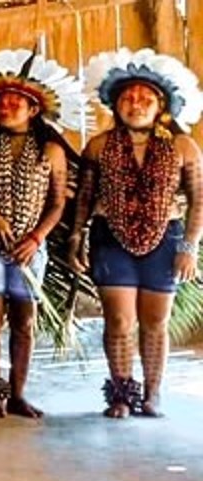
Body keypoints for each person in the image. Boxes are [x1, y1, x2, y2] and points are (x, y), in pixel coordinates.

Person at [69, 48, 203, 419]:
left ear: (161, 106)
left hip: (166, 240)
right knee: (119, 320)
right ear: (115, 105)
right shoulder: (98, 146)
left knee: (155, 321)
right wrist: (76, 239)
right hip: (111, 239)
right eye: (128, 97)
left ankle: (153, 393)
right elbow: (83, 199)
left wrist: (189, 247)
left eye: (145, 98)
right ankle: (121, 393)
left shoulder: (182, 147)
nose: (136, 103)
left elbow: (199, 201)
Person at [0, 48, 82, 418]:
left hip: (30, 245)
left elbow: (58, 203)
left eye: (16, 102)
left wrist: (36, 238)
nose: (6, 106)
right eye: (1, 102)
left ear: (33, 110)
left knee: (24, 321)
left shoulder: (50, 149)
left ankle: (18, 393)